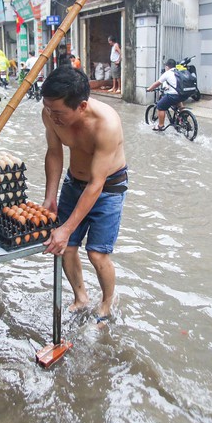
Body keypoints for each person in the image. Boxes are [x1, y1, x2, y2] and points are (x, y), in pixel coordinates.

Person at [40, 66, 128, 321]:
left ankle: (107, 303)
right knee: (66, 248)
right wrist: (50, 197)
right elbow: (54, 153)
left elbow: (96, 184)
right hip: (73, 182)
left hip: (108, 187)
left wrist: (66, 228)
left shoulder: (106, 124)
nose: (51, 116)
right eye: (47, 108)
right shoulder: (50, 113)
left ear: (81, 106)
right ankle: (81, 297)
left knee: (97, 253)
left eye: (58, 112)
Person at [146, 59, 184, 131]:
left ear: (167, 66)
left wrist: (149, 89)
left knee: (160, 106)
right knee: (178, 103)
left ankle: (160, 126)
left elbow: (157, 84)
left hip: (173, 95)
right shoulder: (178, 72)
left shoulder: (167, 73)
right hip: (182, 94)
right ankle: (184, 118)